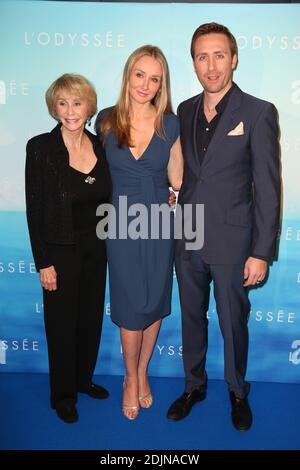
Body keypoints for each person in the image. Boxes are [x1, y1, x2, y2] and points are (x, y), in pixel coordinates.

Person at [167, 23, 281, 431]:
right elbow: (184, 171)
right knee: (191, 318)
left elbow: (268, 187)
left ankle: (237, 391)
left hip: (235, 242)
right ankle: (193, 386)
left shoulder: (258, 111)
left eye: (219, 55)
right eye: (202, 57)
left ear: (233, 59)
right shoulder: (184, 109)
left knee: (233, 322)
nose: (211, 66)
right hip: (189, 236)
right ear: (194, 62)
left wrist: (261, 251)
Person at [96, 45, 183, 420]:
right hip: (118, 223)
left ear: (161, 84)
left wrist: (176, 192)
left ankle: (144, 370)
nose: (145, 85)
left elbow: (177, 178)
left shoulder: (171, 123)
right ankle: (130, 378)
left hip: (158, 223)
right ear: (128, 75)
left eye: (154, 78)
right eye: (139, 75)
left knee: (155, 301)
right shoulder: (104, 120)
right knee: (131, 304)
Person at [25, 73, 111, 424]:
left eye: (77, 103)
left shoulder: (100, 145)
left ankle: (82, 380)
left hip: (97, 249)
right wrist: (43, 262)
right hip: (59, 252)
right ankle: (62, 394)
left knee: (89, 320)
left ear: (89, 107)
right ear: (54, 107)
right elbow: (34, 210)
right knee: (61, 325)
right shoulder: (41, 148)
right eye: (63, 103)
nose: (70, 110)